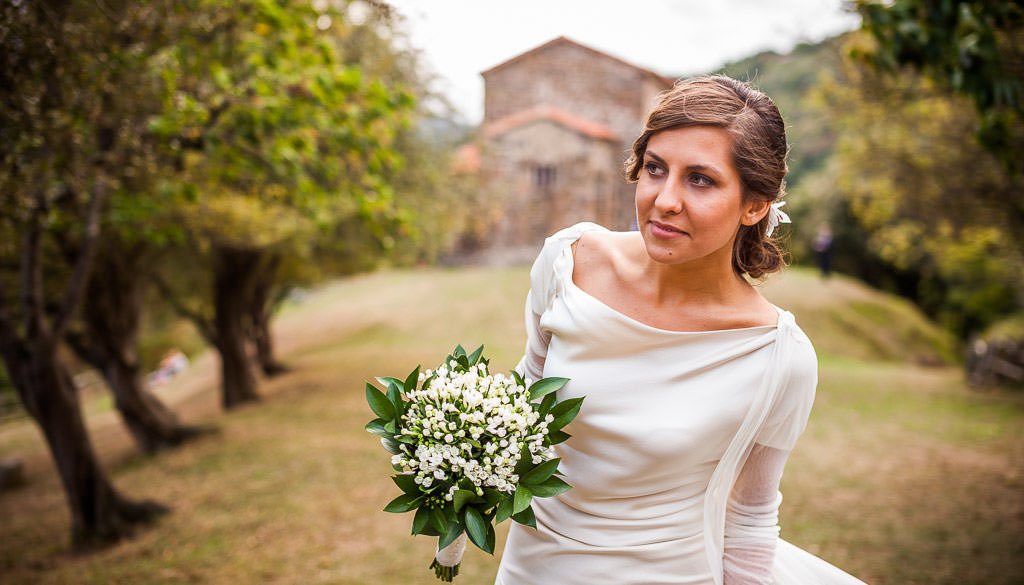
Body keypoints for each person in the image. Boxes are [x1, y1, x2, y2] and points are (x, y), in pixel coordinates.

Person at [494, 75, 867, 585]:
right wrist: (449, 450)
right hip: (531, 566)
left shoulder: (777, 356)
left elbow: (751, 519)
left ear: (755, 205)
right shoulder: (569, 264)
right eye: (655, 169)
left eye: (701, 179)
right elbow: (519, 408)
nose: (665, 200)